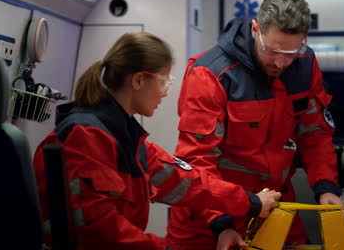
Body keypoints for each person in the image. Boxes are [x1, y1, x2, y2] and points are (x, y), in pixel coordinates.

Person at [33, 32, 281, 250]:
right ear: (139, 80)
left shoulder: (126, 138)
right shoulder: (87, 136)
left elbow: (186, 182)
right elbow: (98, 228)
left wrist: (250, 202)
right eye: (164, 81)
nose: (165, 92)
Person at [165, 0, 344, 250]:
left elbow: (315, 133)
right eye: (272, 50)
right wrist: (222, 223)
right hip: (209, 217)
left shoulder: (305, 66)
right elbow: (197, 159)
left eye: (291, 52)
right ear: (255, 30)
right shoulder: (211, 73)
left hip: (273, 208)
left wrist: (326, 188)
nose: (282, 62)